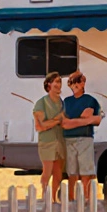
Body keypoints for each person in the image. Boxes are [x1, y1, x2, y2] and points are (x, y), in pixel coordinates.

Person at [61, 71, 102, 202]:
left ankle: (87, 197)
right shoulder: (66, 102)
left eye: (80, 81)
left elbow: (96, 119)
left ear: (84, 83)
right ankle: (71, 197)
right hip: (68, 139)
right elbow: (64, 123)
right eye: (74, 82)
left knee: (86, 170)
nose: (77, 84)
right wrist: (83, 120)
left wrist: (73, 121)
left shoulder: (90, 100)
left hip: (85, 138)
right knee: (71, 170)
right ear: (70, 85)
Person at [32, 72, 67, 202]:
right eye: (56, 82)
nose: (58, 85)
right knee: (47, 171)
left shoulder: (63, 103)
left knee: (58, 173)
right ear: (49, 84)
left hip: (60, 142)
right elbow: (40, 126)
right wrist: (58, 120)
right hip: (47, 142)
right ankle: (44, 195)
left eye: (59, 82)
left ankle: (53, 197)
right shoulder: (41, 103)